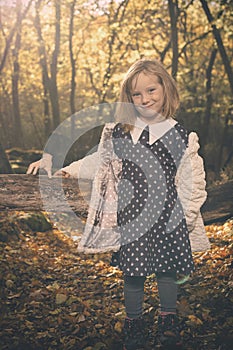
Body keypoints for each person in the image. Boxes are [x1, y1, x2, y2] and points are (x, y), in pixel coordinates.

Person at [27, 58, 210, 349]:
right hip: (133, 215)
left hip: (168, 215)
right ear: (128, 98)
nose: (145, 99)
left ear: (165, 88)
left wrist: (185, 216)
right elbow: (99, 162)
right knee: (134, 274)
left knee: (167, 271)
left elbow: (191, 180)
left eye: (151, 90)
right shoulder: (121, 131)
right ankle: (134, 323)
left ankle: (168, 320)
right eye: (137, 94)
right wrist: (67, 169)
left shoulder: (179, 134)